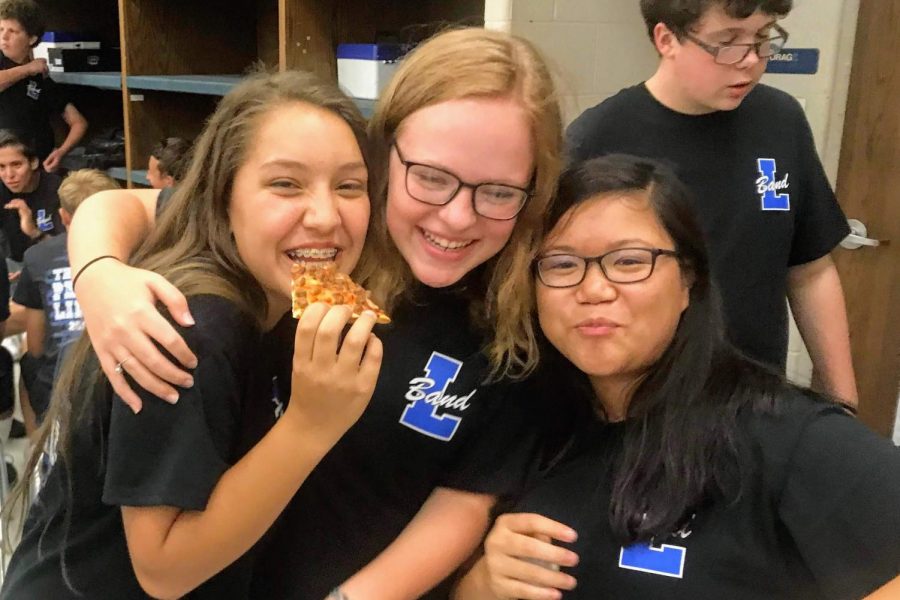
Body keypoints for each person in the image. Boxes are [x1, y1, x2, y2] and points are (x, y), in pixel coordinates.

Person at [66, 27, 563, 598]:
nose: (455, 217)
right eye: (429, 178)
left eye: (498, 192)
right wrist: (99, 274)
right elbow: (129, 204)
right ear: (384, 154)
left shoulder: (517, 325)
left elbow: (465, 499)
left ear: (534, 191)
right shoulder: (323, 237)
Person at [0, 69, 383, 599]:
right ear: (222, 196)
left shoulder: (276, 298)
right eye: (284, 184)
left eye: (349, 185)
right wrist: (311, 425)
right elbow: (163, 567)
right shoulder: (195, 327)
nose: (324, 215)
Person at [454, 155, 900, 600]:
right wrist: (484, 584)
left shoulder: (782, 436)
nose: (593, 290)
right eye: (562, 265)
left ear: (688, 278)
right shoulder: (528, 427)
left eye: (630, 262)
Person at [566, 0, 858, 405]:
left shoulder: (780, 121)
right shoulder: (597, 139)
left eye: (762, 37)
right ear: (666, 39)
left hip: (756, 399)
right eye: (728, 42)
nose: (751, 61)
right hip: (643, 406)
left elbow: (809, 269)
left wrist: (841, 401)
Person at [11, 169, 119, 437]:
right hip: (122, 381)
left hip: (62, 388)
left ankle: (39, 448)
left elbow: (36, 347)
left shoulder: (37, 256)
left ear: (63, 216)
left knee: (27, 355)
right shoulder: (143, 248)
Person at [0, 0, 88, 172]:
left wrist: (62, 151)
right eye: (1, 29)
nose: (4, 36)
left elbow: (79, 122)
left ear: (31, 38)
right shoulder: (20, 67)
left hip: (36, 167)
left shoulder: (41, 78)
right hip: (4, 166)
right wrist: (27, 69)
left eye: (12, 31)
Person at [0, 130, 62, 262]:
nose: (9, 175)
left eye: (16, 165)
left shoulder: (59, 191)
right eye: (1, 167)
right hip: (15, 267)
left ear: (33, 162)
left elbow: (67, 250)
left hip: (53, 265)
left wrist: (33, 231)